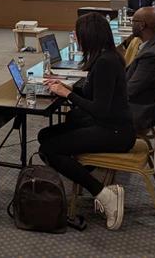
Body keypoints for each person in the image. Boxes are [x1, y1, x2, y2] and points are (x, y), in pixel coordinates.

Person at [38, 13, 136, 231]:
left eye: (78, 34)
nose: (75, 37)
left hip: (115, 132)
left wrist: (67, 94)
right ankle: (80, 176)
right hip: (109, 124)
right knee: (45, 136)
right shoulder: (106, 57)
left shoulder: (105, 63)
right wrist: (67, 87)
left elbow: (99, 108)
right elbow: (95, 94)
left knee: (50, 148)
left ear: (90, 36)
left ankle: (103, 194)